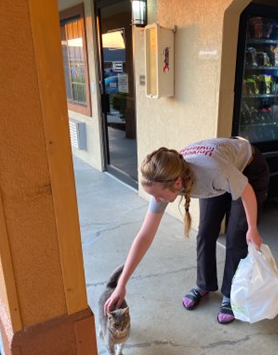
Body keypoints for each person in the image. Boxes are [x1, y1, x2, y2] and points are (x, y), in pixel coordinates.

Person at [104, 137, 269, 324]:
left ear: (176, 184)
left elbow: (246, 191)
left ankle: (230, 295)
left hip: (249, 169)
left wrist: (253, 229)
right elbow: (144, 235)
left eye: (158, 196)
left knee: (236, 237)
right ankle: (204, 284)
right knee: (205, 232)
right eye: (153, 196)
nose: (156, 200)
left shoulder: (213, 173)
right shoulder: (165, 178)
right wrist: (122, 283)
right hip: (221, 166)